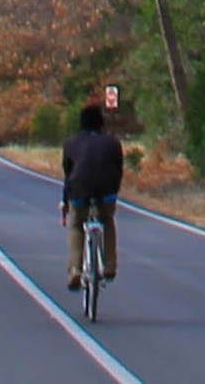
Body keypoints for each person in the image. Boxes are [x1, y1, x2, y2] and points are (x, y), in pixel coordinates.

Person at [60, 100, 127, 280]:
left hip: (79, 190)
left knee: (76, 225)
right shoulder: (113, 143)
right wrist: (113, 192)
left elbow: (68, 175)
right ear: (101, 122)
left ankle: (75, 268)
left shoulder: (71, 143)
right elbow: (119, 169)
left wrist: (65, 201)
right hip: (106, 191)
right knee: (107, 221)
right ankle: (110, 266)